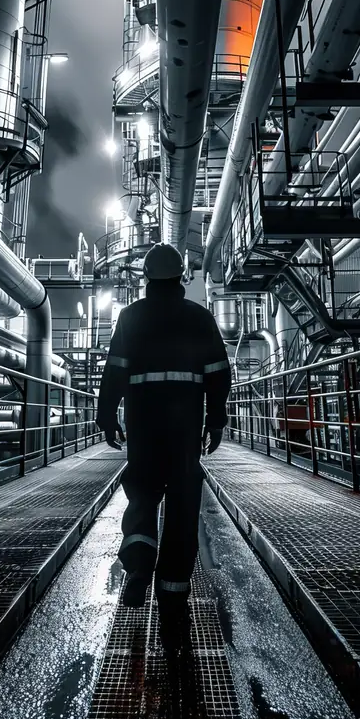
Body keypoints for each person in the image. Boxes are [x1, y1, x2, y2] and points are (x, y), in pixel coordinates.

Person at [96, 242, 231, 630]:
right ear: (181, 279)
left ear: (146, 280)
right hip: (185, 428)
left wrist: (107, 417)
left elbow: (115, 371)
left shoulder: (130, 317)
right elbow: (219, 373)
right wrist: (216, 420)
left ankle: (139, 565)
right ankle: (172, 601)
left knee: (141, 490)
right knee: (182, 508)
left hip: (143, 425)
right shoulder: (199, 317)